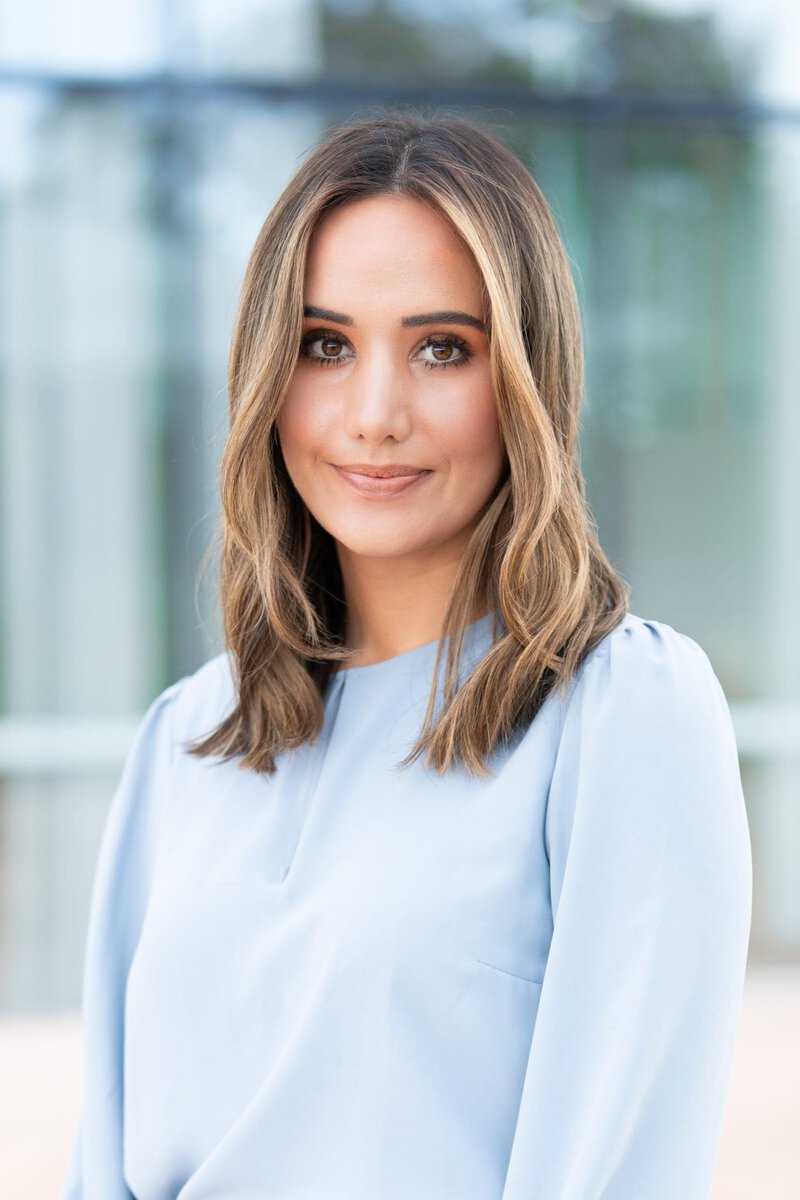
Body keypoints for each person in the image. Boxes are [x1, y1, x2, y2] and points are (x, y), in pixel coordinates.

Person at [60, 111, 752, 1200]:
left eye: (441, 348)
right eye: (323, 345)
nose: (372, 414)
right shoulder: (186, 739)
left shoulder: (620, 715)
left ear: (525, 378)